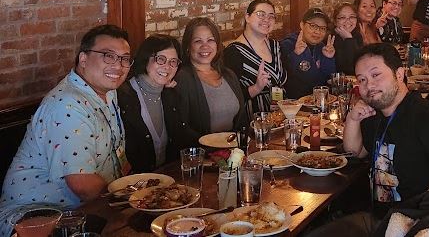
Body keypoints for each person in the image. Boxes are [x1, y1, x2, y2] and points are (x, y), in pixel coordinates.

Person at [0, 25, 132, 235]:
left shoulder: (107, 91)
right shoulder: (67, 104)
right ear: (83, 59)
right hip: (36, 217)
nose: (119, 65)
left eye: (125, 58)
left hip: (85, 209)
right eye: (108, 56)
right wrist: (132, 201)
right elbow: (82, 184)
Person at [343, 43, 429, 225]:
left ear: (399, 74)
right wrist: (353, 120)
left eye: (376, 75)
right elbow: (356, 152)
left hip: (413, 222)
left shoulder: (424, 116)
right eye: (361, 79)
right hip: (381, 217)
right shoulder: (375, 112)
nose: (369, 85)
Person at [117, 34, 183, 173]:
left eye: (173, 62)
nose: (167, 67)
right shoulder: (123, 97)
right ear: (146, 58)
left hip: (166, 183)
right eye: (160, 59)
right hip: (131, 187)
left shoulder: (171, 96)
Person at [175, 17, 248, 139]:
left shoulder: (229, 75)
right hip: (203, 154)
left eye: (210, 40)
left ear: (217, 45)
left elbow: (241, 119)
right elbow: (180, 128)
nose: (205, 46)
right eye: (198, 41)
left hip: (232, 151)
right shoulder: (182, 78)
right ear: (188, 47)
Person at [224, 0, 287, 114]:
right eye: (261, 14)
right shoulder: (233, 52)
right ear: (247, 17)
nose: (266, 19)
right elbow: (228, 97)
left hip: (280, 117)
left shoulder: (275, 46)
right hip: (253, 123)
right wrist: (256, 88)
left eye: (271, 16)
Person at [281, 8, 336, 99]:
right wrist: (296, 55)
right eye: (313, 26)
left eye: (322, 28)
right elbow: (290, 80)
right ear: (302, 25)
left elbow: (328, 80)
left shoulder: (321, 47)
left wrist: (328, 58)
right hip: (295, 105)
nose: (317, 31)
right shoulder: (287, 45)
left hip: (318, 102)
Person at [332, 2, 361, 75]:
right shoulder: (330, 39)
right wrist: (348, 39)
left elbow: (361, 63)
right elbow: (348, 68)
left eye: (352, 17)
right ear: (335, 21)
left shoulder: (357, 35)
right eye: (342, 17)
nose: (348, 21)